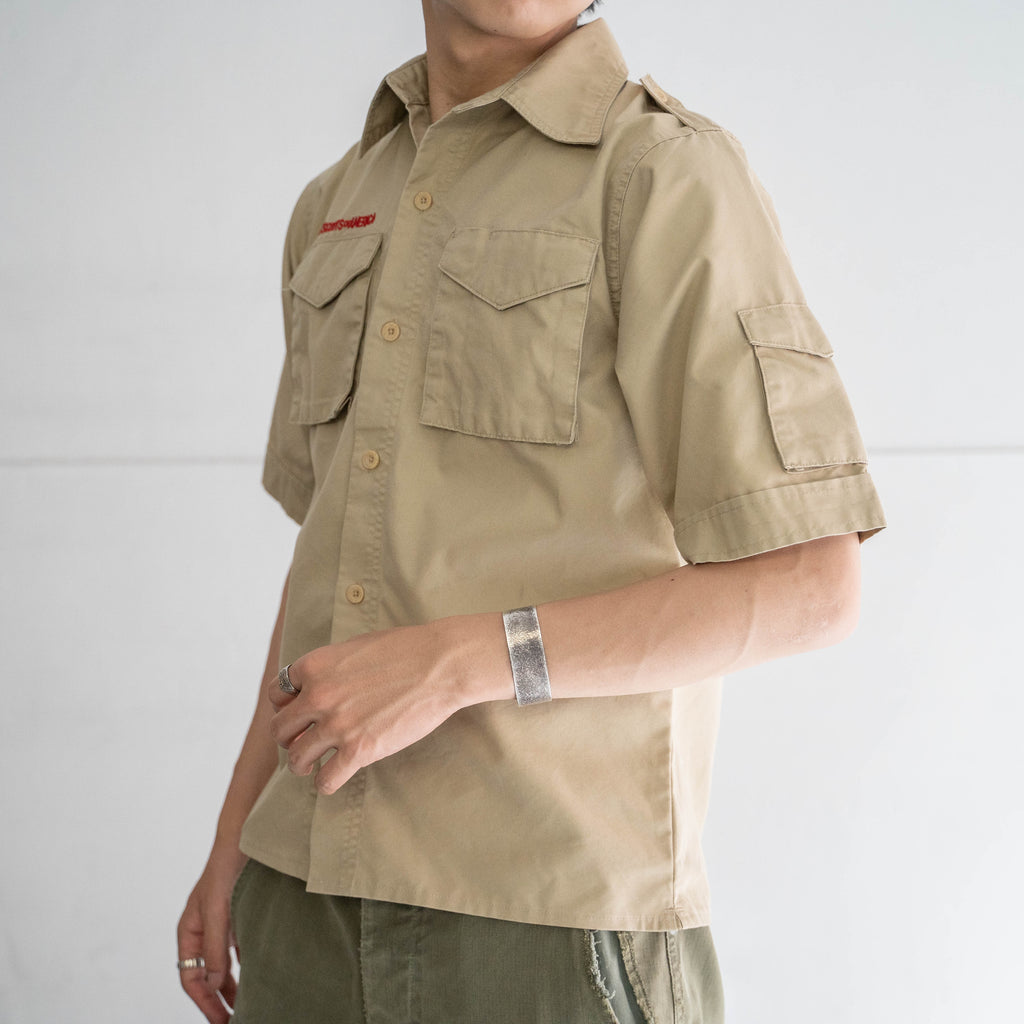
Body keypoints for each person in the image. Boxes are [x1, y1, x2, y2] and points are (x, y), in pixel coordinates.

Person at [177, 2, 886, 1021]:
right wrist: (233, 837)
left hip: (546, 926)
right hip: (301, 902)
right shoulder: (337, 202)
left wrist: (464, 661)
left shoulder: (664, 174)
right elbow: (328, 559)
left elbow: (812, 586)